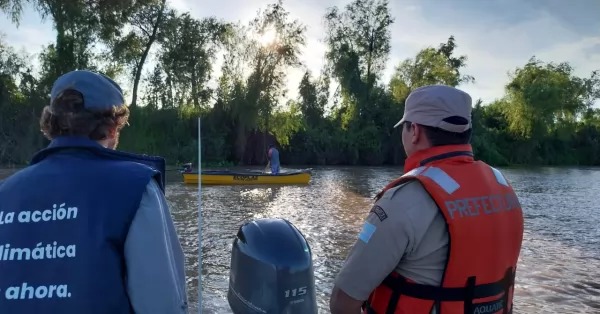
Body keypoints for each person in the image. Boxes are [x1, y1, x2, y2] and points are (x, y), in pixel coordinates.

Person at [0, 70, 189, 314]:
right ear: (112, 128)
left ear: (50, 126)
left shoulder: (5, 192)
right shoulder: (137, 186)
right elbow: (163, 306)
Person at [329, 85, 524, 314]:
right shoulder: (504, 188)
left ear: (415, 132)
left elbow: (343, 301)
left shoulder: (403, 200)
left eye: (404, 126)